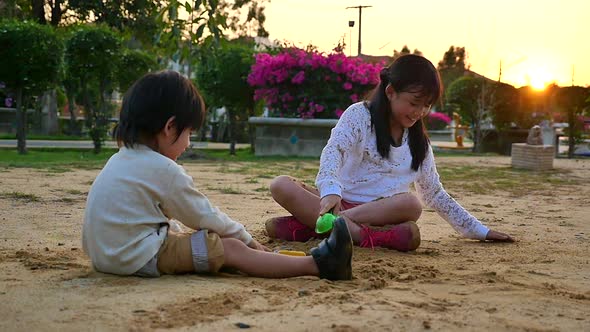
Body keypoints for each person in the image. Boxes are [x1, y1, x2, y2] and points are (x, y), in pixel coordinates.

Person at [82, 70, 353, 280]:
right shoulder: (162, 169)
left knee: (206, 243)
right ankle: (320, 264)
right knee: (231, 249)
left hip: (105, 256)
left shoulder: (119, 160)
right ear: (169, 127)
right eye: (188, 134)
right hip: (136, 258)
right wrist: (247, 241)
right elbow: (205, 217)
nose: (187, 144)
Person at [266, 54, 514, 251]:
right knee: (280, 185)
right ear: (390, 91)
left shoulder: (419, 143)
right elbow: (335, 150)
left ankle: (326, 227)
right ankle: (361, 235)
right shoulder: (359, 115)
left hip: (382, 213)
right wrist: (330, 191)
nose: (419, 112)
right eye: (414, 103)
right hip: (337, 200)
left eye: (426, 105)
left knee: (411, 204)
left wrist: (480, 231)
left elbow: (435, 194)